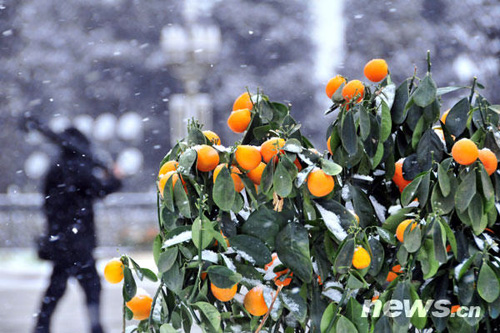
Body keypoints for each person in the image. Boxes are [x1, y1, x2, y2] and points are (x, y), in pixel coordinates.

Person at [34, 127, 122, 333]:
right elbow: (100, 189)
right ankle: (95, 326)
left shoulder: (54, 168)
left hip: (59, 237)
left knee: (56, 287)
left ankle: (41, 327)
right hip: (79, 238)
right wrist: (116, 178)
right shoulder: (79, 167)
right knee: (91, 286)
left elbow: (48, 203)